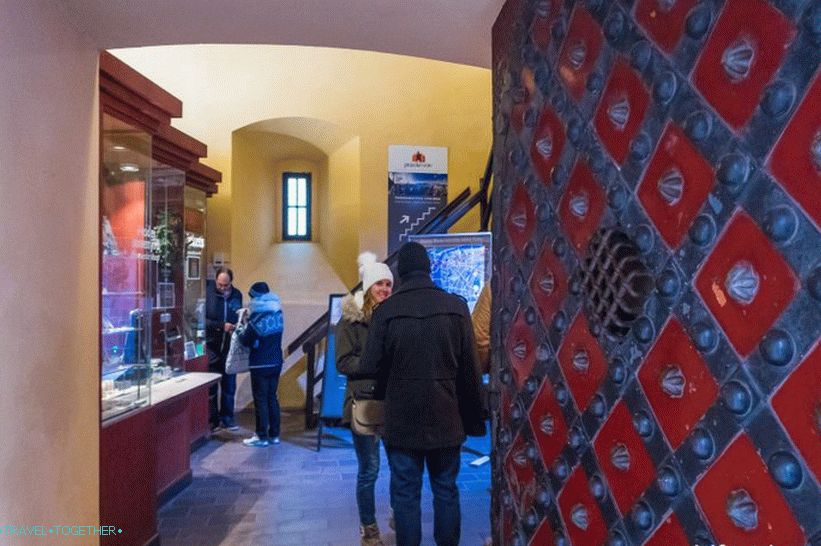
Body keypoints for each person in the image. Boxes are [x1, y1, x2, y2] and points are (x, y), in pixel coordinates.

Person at [360, 242, 485, 546]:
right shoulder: (455, 307)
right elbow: (471, 369)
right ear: (428, 268)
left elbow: (369, 366)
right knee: (446, 489)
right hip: (446, 416)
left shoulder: (387, 311)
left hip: (402, 419)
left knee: (405, 494)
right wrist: (474, 421)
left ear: (401, 272)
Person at [336, 252, 394, 546]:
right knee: (370, 469)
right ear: (368, 287)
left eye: (389, 284)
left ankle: (398, 513)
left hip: (395, 401)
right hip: (365, 403)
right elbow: (343, 362)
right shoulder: (350, 321)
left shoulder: (395, 317)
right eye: (379, 284)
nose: (385, 289)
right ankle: (369, 529)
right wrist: (375, 363)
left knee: (399, 465)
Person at [238, 281, 285, 447]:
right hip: (276, 361)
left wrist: (241, 325)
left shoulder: (257, 317)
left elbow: (245, 339)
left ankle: (261, 436)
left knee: (261, 400)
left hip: (260, 363)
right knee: (272, 397)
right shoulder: (278, 313)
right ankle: (275, 435)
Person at [205, 267, 243, 431]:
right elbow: (202, 320)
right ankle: (213, 420)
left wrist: (239, 322)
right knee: (212, 387)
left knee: (229, 386)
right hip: (212, 347)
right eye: (220, 285)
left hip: (230, 348)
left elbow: (238, 315)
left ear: (231, 283)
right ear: (216, 282)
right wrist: (221, 326)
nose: (223, 289)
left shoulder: (237, 295)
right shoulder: (208, 294)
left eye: (226, 285)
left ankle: (227, 418)